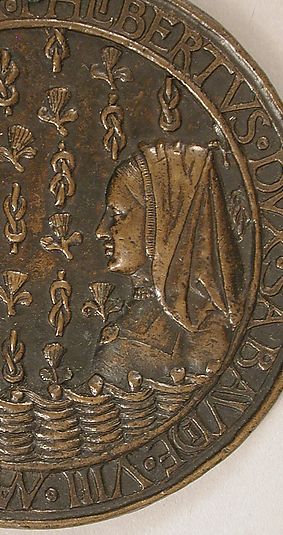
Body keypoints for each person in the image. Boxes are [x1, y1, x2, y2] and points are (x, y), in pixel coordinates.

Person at [93, 141, 244, 386]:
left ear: (162, 226)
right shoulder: (140, 315)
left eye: (118, 215)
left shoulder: (204, 339)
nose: (101, 231)